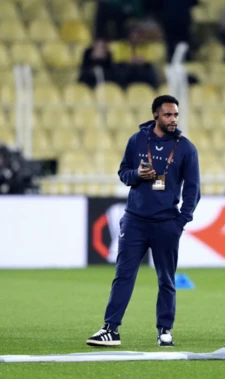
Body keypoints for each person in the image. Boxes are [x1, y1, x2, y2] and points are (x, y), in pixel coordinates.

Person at [86, 95, 201, 347]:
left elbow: (193, 189)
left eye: (176, 115)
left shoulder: (186, 148)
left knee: (166, 279)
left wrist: (181, 221)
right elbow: (123, 173)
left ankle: (165, 330)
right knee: (123, 275)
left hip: (166, 223)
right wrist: (137, 174)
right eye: (168, 114)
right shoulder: (137, 140)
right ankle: (110, 329)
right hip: (135, 221)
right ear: (155, 115)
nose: (173, 119)